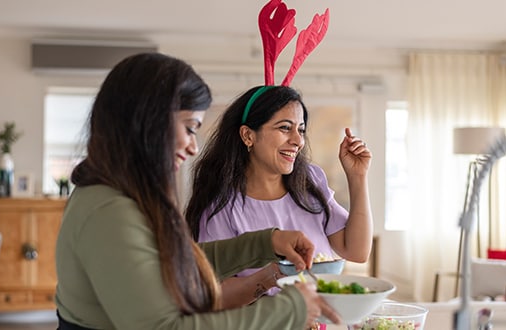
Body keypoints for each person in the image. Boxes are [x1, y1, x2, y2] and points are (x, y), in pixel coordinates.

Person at [54, 52, 340, 330]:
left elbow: (177, 264)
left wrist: (266, 243)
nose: (193, 147)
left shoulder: (118, 195)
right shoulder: (109, 211)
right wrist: (292, 308)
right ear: (148, 123)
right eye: (190, 128)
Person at [185, 85, 374, 309]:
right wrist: (276, 273)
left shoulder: (309, 182)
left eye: (301, 130)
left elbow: (357, 251)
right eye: (285, 128)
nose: (298, 141)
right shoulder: (221, 206)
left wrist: (358, 177)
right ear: (248, 135)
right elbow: (218, 297)